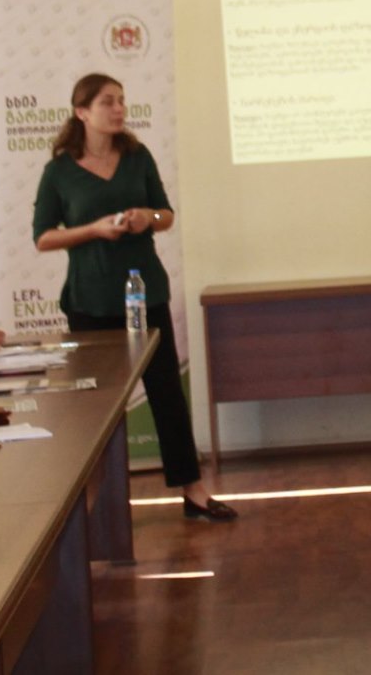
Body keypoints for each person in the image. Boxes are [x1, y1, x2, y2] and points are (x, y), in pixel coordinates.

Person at [32, 72, 235, 521]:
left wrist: (148, 217)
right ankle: (98, 504)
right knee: (97, 406)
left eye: (122, 100)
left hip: (144, 292)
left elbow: (167, 214)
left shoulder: (137, 157)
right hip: (89, 299)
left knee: (166, 392)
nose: (119, 109)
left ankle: (193, 491)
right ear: (82, 112)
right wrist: (93, 229)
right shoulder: (59, 172)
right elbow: (43, 237)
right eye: (108, 102)